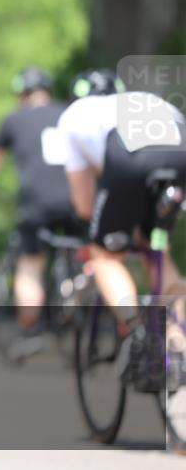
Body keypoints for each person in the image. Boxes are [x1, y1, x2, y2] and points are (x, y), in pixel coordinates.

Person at [56, 69, 186, 390]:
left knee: (106, 256)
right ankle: (178, 337)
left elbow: (84, 204)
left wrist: (107, 231)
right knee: (155, 248)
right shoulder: (140, 99)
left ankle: (137, 331)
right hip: (181, 148)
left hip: (130, 155)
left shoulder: (73, 116)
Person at [0, 66, 78, 360]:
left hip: (37, 201)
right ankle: (76, 290)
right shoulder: (69, 114)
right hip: (77, 196)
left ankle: (30, 331)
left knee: (30, 265)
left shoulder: (13, 120)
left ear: (22, 94)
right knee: (84, 249)